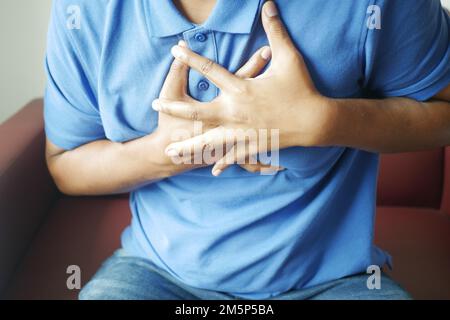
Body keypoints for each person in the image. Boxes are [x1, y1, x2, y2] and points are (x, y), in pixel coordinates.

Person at [44, 0, 450, 300]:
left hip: (334, 283)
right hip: (156, 275)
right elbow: (65, 165)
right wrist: (167, 151)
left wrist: (324, 121)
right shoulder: (83, 11)